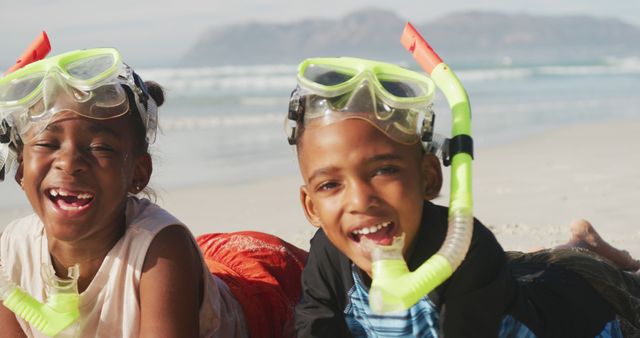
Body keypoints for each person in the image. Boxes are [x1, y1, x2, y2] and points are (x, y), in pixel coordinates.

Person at [286, 56, 640, 337]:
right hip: (514, 282)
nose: (360, 200)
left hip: (579, 314)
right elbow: (314, 327)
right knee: (525, 270)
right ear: (311, 206)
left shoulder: (467, 249)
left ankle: (589, 254)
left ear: (428, 177)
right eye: (330, 185)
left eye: (384, 170)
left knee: (604, 284)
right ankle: (579, 244)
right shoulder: (328, 254)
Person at [0, 47, 306, 338]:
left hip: (261, 291)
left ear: (138, 173)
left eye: (100, 147)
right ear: (21, 169)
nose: (69, 162)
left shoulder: (162, 251)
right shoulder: (11, 253)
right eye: (47, 144)